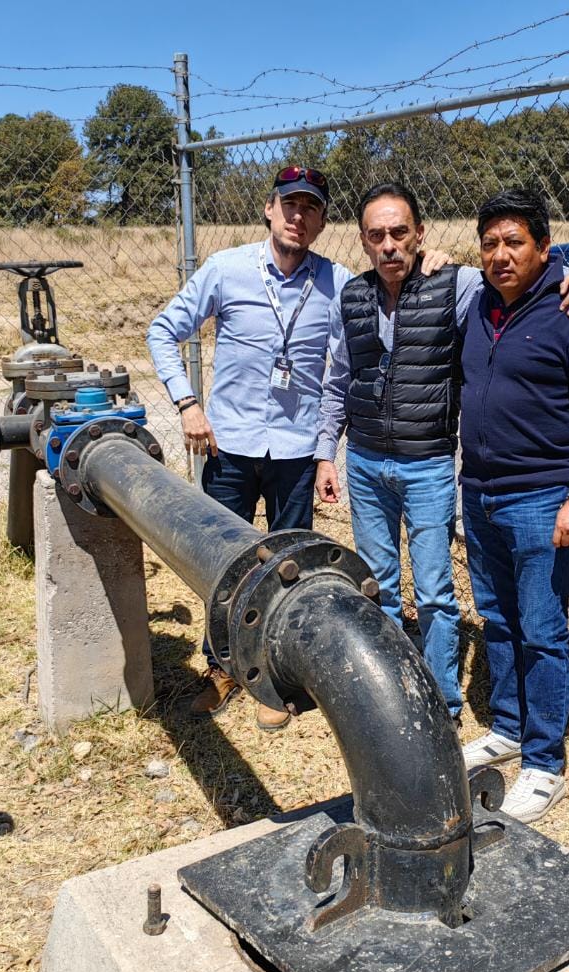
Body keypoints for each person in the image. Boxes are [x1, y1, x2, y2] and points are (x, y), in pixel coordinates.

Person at [314, 182, 569, 720]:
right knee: (378, 585)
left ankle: (441, 700)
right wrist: (327, 453)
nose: (390, 245)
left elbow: (522, 274)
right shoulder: (350, 298)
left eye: (400, 232)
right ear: (362, 241)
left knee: (435, 593)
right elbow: (337, 383)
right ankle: (391, 694)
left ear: (420, 235)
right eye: (377, 235)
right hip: (366, 463)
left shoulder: (458, 284)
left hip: (428, 465)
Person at [146, 166, 350, 728]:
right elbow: (163, 330)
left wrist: (326, 448)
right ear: (269, 207)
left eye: (310, 207)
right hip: (229, 445)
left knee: (288, 563)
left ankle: (277, 673)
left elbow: (348, 367)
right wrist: (188, 403)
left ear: (321, 220)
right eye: (289, 204)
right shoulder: (227, 269)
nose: (297, 216)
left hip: (295, 451)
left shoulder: (337, 284)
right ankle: (221, 667)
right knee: (223, 562)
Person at [457, 188, 569, 823]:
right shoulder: (476, 306)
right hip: (480, 493)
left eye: (515, 242)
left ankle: (544, 759)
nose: (501, 254)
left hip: (540, 497)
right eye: (491, 242)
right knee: (498, 619)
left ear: (544, 249)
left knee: (542, 628)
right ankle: (506, 727)